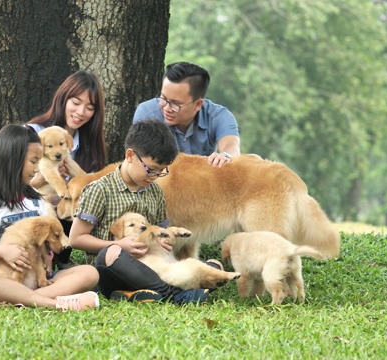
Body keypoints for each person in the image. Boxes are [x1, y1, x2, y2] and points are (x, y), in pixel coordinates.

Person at [69, 120, 225, 304]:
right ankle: (175, 294)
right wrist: (122, 245)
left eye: (160, 171)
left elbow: (161, 232)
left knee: (214, 266)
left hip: (152, 266)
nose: (154, 176)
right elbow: (76, 239)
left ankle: (138, 293)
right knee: (112, 254)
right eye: (150, 170)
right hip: (113, 268)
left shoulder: (155, 191)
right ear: (130, 156)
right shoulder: (100, 189)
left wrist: (164, 240)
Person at [0, 124, 100, 311]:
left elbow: (45, 238)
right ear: (12, 159)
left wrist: (48, 256)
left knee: (89, 273)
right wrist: (3, 252)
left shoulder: (34, 198)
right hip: (1, 280)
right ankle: (54, 303)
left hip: (38, 278)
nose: (37, 169)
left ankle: (5, 303)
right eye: (33, 162)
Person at [27, 70, 107, 268]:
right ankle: (53, 258)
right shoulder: (31, 133)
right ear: (63, 99)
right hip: (32, 209)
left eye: (89, 107)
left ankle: (95, 257)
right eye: (76, 102)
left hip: (69, 210)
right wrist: (45, 180)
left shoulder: (89, 144)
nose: (81, 112)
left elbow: (89, 181)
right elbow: (11, 183)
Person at [133, 61, 240, 167]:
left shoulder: (218, 116)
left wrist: (225, 156)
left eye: (176, 104)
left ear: (198, 104)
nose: (166, 108)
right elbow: (143, 159)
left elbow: (231, 146)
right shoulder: (147, 113)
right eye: (163, 98)